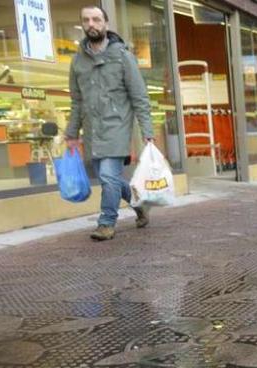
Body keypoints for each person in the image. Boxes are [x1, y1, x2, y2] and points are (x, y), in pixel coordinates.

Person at [65, 5, 154, 241]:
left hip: (117, 126)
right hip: (93, 129)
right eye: (86, 20)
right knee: (111, 178)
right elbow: (76, 101)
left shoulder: (123, 56)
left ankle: (106, 223)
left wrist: (147, 130)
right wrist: (72, 133)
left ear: (105, 23)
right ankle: (139, 203)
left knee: (107, 176)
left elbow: (139, 96)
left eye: (96, 19)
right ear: (83, 25)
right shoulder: (77, 62)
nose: (91, 24)